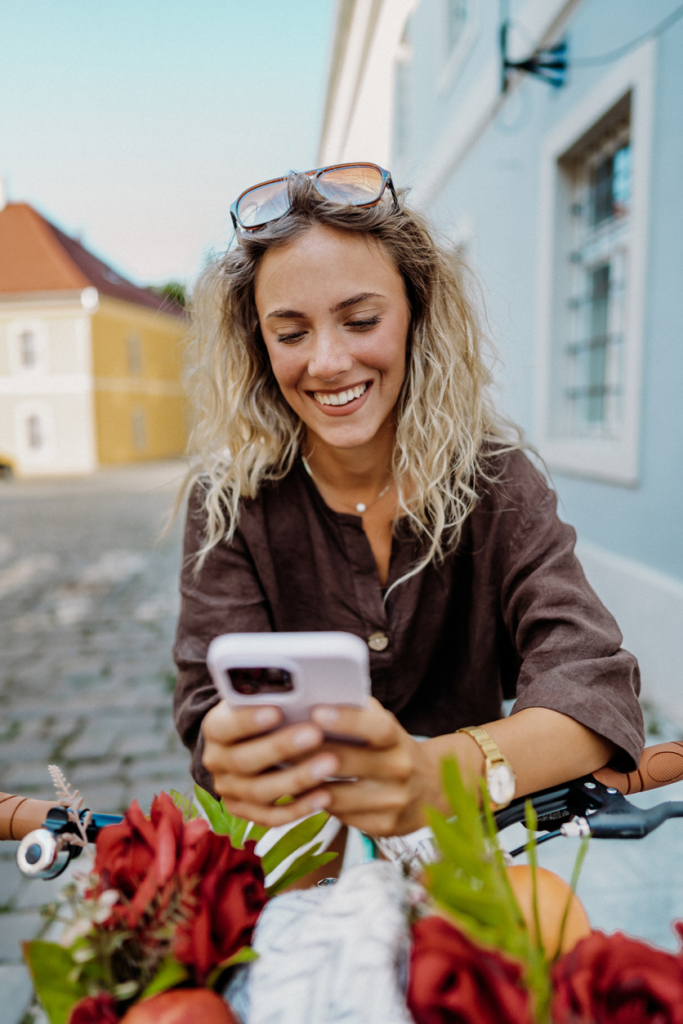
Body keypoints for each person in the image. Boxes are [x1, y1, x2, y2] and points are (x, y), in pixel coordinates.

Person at [173, 163, 643, 857]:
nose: (327, 362)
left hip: (473, 852)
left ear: (414, 313)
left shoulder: (497, 483)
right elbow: (208, 711)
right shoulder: (227, 505)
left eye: (360, 320)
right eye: (290, 332)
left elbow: (592, 687)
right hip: (303, 860)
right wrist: (228, 749)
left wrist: (434, 773)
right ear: (257, 344)